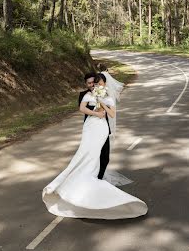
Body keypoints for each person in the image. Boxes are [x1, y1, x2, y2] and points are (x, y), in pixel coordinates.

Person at [42, 69, 148, 220]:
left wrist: (102, 103)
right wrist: (97, 109)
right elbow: (83, 108)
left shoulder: (106, 96)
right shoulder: (85, 94)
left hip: (102, 128)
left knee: (103, 157)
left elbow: (110, 113)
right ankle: (79, 178)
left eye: (97, 82)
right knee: (85, 153)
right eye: (92, 83)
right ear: (87, 84)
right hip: (90, 127)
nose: (94, 85)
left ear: (102, 83)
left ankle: (95, 178)